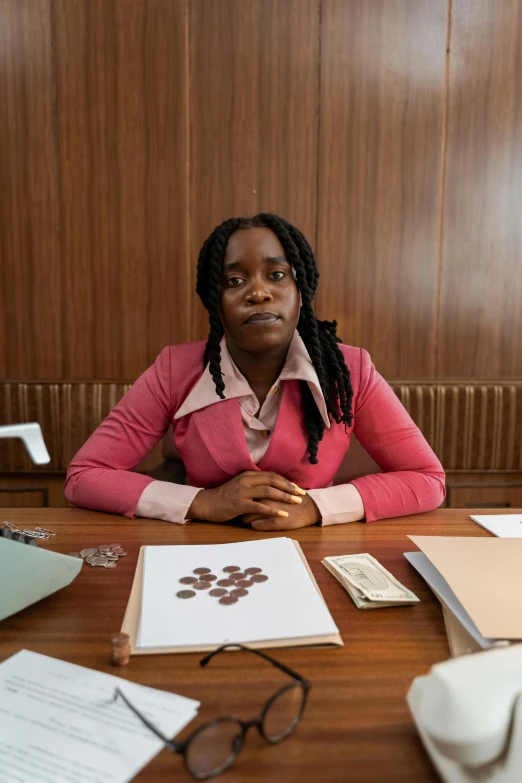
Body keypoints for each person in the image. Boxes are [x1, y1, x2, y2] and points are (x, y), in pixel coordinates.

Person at [65, 213, 445, 530]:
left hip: (314, 552)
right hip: (202, 557)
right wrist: (202, 502)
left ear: (302, 289)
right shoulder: (174, 369)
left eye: (277, 275)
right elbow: (85, 475)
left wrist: (317, 507)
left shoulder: (351, 370)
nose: (257, 293)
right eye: (234, 281)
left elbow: (428, 480)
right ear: (215, 303)